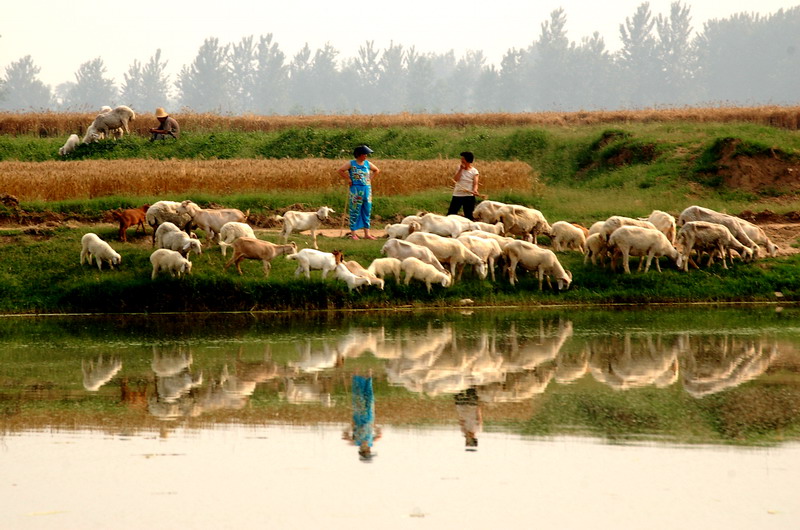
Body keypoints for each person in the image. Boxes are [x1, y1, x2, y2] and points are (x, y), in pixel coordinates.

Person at [337, 145, 380, 240]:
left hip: (367, 189)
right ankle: (353, 234)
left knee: (367, 210)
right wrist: (348, 179)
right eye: (364, 154)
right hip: (356, 190)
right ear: (359, 155)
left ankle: (367, 234)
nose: (366, 156)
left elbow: (376, 170)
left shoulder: (367, 164)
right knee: (355, 210)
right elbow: (340, 170)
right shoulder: (351, 163)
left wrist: (370, 179)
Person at [343, 373, 382, 461]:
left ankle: (357, 376)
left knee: (359, 398)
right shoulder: (371, 442)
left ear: (362, 451)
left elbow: (344, 435)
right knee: (369, 398)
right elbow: (379, 434)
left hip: (359, 418)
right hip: (370, 417)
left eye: (367, 451)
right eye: (369, 451)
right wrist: (374, 425)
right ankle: (368, 377)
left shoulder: (356, 442)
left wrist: (350, 425)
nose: (369, 449)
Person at [446, 151, 480, 221]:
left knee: (469, 215)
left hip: (469, 195)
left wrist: (475, 190)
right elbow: (456, 179)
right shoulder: (459, 168)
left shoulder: (474, 171)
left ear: (468, 160)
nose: (461, 160)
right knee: (451, 213)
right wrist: (461, 169)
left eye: (463, 159)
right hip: (458, 194)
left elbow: (475, 183)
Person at [455, 386, 482, 451]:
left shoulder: (464, 431)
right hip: (471, 407)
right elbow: (479, 418)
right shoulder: (477, 429)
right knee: (471, 389)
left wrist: (465, 432)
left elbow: (461, 420)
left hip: (463, 408)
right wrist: (478, 407)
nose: (466, 440)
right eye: (468, 442)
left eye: (467, 442)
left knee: (458, 390)